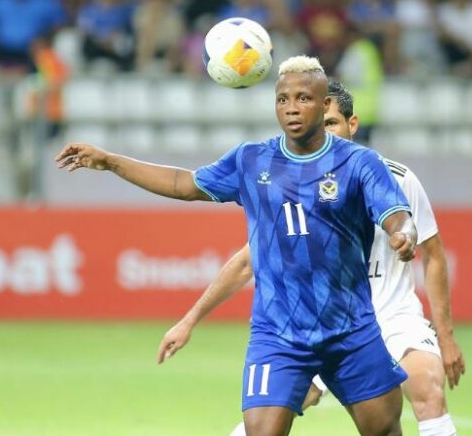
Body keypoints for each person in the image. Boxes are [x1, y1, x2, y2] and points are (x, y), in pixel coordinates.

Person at [55, 56, 416, 436]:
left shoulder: (359, 163)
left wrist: (403, 234)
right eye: (283, 99)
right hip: (278, 333)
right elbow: (183, 184)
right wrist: (111, 162)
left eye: (303, 98)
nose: (292, 108)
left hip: (350, 330)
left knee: (383, 430)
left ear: (325, 103)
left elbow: (397, 214)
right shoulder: (251, 160)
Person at [159, 81, 465, 436]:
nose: (324, 130)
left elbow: (433, 254)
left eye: (332, 123)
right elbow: (246, 262)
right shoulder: (296, 181)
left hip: (393, 315)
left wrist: (446, 337)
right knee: (278, 412)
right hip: (324, 320)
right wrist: (190, 320)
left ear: (352, 124)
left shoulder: (398, 178)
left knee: (428, 388)